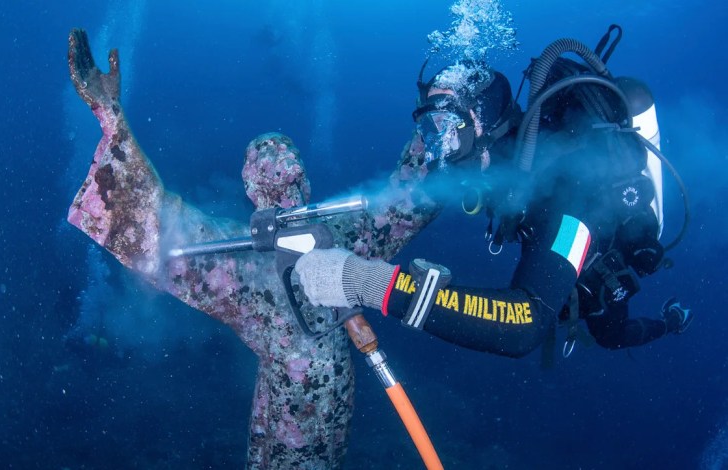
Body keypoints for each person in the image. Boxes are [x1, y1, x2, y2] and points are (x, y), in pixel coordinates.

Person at [66, 29, 441, 468]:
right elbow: (407, 201)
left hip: (295, 416)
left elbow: (154, 229)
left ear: (250, 187)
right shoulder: (333, 231)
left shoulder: (241, 255)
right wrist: (438, 131)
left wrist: (111, 116)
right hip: (321, 403)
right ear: (301, 177)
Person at [295, 30, 693, 359]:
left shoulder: (571, 193)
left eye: (448, 128)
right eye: (430, 130)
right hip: (544, 229)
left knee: (609, 332)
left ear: (485, 123)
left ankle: (672, 321)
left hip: (594, 258)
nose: (436, 149)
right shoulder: (501, 163)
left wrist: (363, 280)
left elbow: (524, 323)